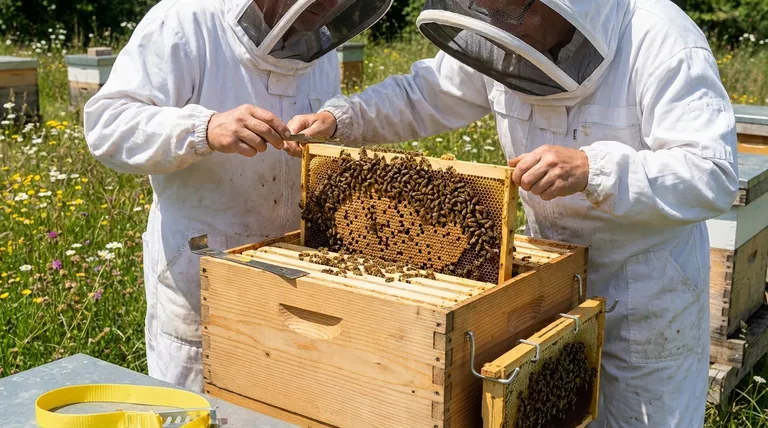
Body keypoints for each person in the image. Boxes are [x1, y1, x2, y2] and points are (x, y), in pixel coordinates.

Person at [287, 0, 740, 425]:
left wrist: (593, 169)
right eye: (485, 8)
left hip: (645, 295)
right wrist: (345, 119)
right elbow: (427, 94)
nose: (497, 24)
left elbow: (712, 173)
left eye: (509, 10)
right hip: (550, 278)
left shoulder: (661, 38)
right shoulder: (505, 25)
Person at [83, 0, 393, 392]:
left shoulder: (318, 47)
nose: (330, 6)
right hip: (200, 282)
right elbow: (106, 125)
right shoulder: (185, 21)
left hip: (296, 286)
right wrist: (205, 128)